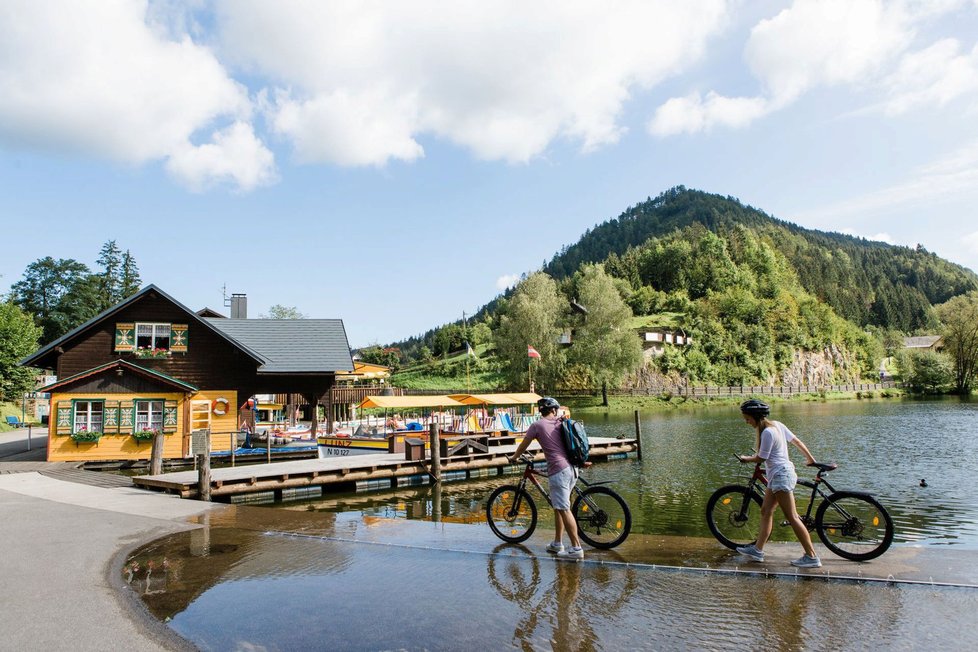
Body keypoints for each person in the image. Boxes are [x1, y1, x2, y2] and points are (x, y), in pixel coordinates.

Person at [734, 399, 822, 568]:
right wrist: (810, 459)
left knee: (793, 517)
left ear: (755, 416)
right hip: (777, 475)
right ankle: (757, 550)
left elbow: (762, 458)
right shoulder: (777, 425)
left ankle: (812, 557)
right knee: (766, 510)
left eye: (747, 418)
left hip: (781, 476)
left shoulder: (767, 432)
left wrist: (746, 459)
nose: (746, 421)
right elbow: (796, 441)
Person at [508, 396, 584, 560]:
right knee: (558, 506)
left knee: (563, 508)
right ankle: (557, 543)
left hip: (559, 470)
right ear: (554, 410)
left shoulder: (537, 425)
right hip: (571, 469)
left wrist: (514, 457)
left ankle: (576, 548)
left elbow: (523, 444)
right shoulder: (561, 422)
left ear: (540, 411)